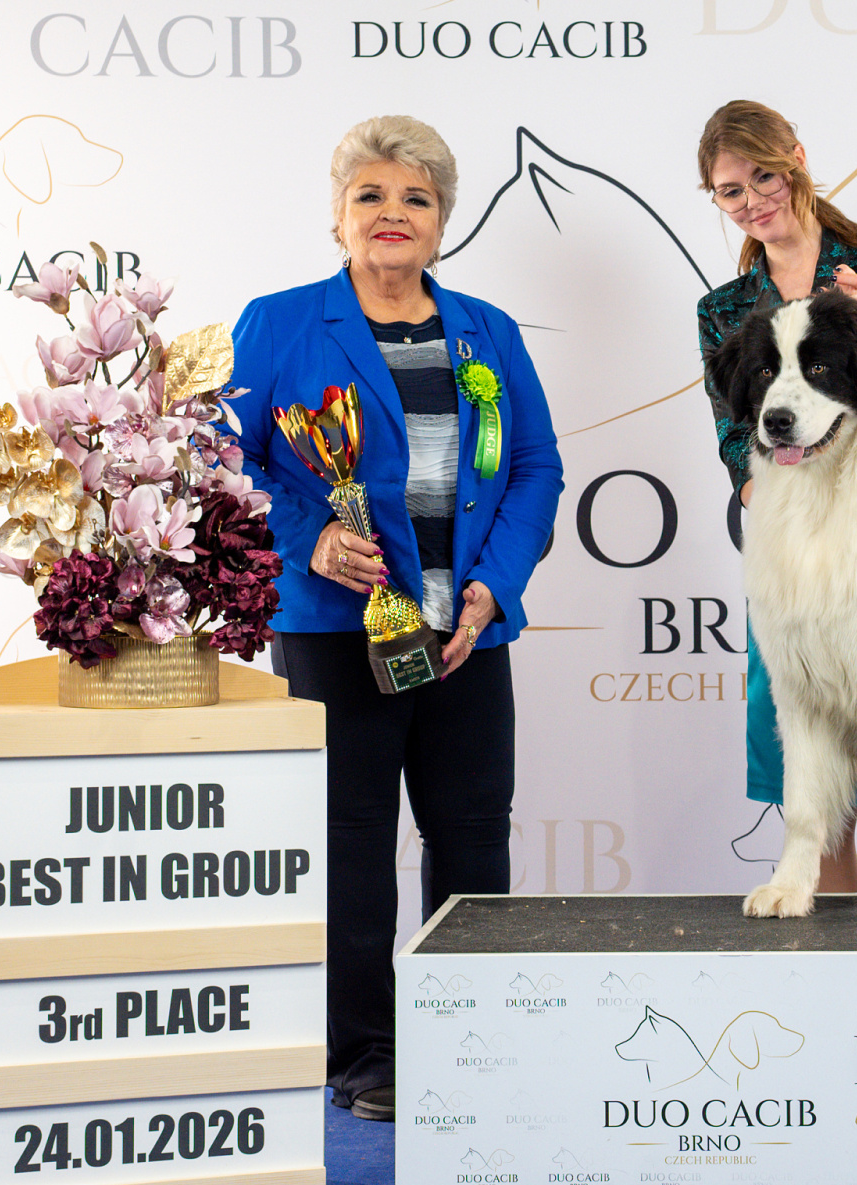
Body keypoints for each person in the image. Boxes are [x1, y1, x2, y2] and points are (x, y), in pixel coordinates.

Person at [232, 116, 563, 1122]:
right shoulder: (281, 323)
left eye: (416, 198)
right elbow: (229, 465)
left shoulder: (486, 331)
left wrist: (493, 587)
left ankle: (472, 1037)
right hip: (340, 631)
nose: (392, 213)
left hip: (465, 631)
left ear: (442, 221)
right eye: (370, 195)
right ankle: (367, 1055)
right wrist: (308, 539)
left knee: (472, 839)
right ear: (338, 215)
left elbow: (536, 468)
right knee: (352, 842)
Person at [695, 100, 857, 893]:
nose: (752, 201)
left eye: (763, 177)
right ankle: (831, 927)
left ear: (796, 160)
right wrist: (772, 500)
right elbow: (734, 432)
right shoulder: (724, 310)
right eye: (730, 191)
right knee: (807, 730)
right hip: (795, 546)